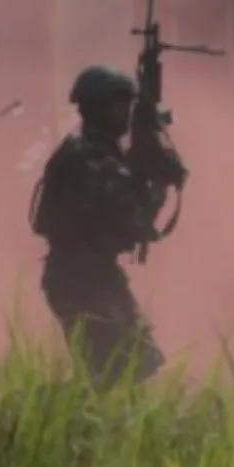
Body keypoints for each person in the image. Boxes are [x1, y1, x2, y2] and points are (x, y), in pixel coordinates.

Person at [30, 64, 179, 389]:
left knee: (134, 364)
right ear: (96, 109)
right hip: (80, 279)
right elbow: (136, 221)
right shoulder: (90, 159)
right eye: (118, 105)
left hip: (93, 274)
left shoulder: (97, 153)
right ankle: (56, 423)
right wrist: (159, 185)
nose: (125, 113)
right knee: (115, 370)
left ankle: (78, 424)